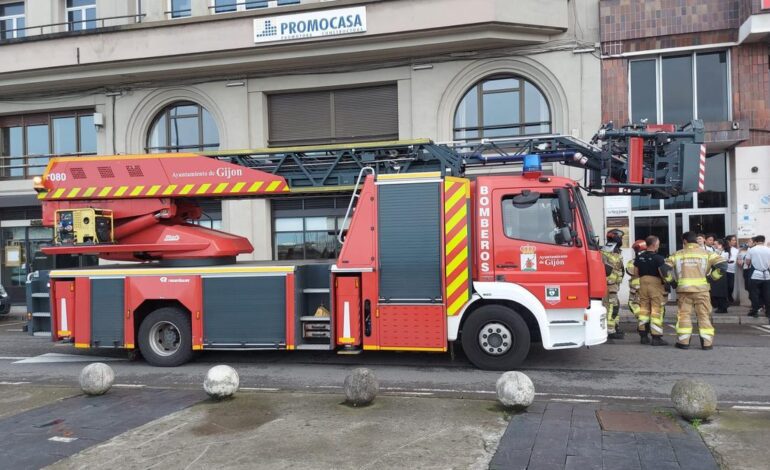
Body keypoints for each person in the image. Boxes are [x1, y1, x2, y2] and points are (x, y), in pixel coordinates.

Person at [662, 231, 727, 350]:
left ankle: (684, 342)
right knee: (704, 316)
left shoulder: (677, 254)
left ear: (684, 241)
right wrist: (711, 278)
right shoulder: (707, 253)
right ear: (696, 240)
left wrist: (672, 283)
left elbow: (663, 269)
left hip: (684, 292)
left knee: (684, 316)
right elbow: (723, 266)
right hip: (702, 291)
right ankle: (707, 344)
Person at [634, 235, 668, 346]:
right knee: (656, 310)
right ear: (654, 245)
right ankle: (656, 337)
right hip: (655, 284)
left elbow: (635, 272)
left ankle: (643, 336)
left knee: (643, 309)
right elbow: (663, 273)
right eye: (658, 243)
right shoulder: (659, 258)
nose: (658, 245)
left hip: (643, 283)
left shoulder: (639, 257)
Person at [602, 229, 625, 340]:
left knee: (614, 306)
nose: (622, 240)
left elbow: (620, 269)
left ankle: (614, 327)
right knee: (612, 307)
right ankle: (610, 331)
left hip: (613, 285)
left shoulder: (616, 252)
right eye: (621, 237)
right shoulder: (604, 251)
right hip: (607, 285)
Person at [745, 235, 770, 318]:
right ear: (763, 241)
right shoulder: (768, 249)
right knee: (767, 294)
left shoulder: (752, 250)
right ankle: (768, 312)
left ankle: (755, 311)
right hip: (766, 275)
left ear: (755, 241)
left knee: (754, 294)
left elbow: (748, 262)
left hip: (755, 275)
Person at [626, 240, 646, 330]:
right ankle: (642, 325)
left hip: (636, 288)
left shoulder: (633, 262)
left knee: (632, 304)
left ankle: (643, 320)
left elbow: (629, 271)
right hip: (649, 287)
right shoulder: (653, 258)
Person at [709, 239, 729, 313]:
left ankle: (723, 307)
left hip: (720, 273)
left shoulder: (724, 253)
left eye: (715, 244)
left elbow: (721, 261)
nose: (714, 245)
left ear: (720, 245)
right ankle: (720, 306)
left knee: (720, 291)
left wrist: (717, 252)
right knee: (716, 291)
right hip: (716, 272)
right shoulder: (716, 252)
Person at [725, 235, 739, 304]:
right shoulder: (724, 249)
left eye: (735, 240)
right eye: (733, 240)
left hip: (733, 271)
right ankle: (727, 299)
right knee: (727, 286)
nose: (735, 241)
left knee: (731, 286)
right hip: (725, 270)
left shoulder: (736, 250)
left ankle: (729, 297)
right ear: (728, 241)